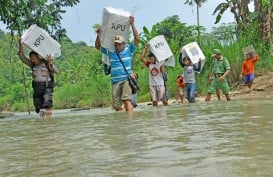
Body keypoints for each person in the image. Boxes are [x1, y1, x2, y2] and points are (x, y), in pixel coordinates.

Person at [95, 16, 139, 112]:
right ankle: (123, 122)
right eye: (116, 44)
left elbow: (137, 38)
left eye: (119, 44)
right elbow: (97, 46)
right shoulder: (110, 52)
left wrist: (132, 24)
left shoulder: (128, 50)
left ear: (124, 43)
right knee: (116, 106)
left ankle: (130, 121)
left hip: (126, 79)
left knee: (127, 101)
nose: (117, 46)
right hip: (115, 81)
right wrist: (98, 34)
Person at [18, 38, 59, 117]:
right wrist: (20, 46)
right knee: (38, 107)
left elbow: (56, 71)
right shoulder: (32, 65)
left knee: (47, 103)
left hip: (47, 87)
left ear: (38, 57)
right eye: (31, 58)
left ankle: (49, 121)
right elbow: (23, 58)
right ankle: (42, 123)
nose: (32, 60)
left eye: (33, 58)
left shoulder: (46, 63)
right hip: (37, 88)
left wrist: (50, 63)